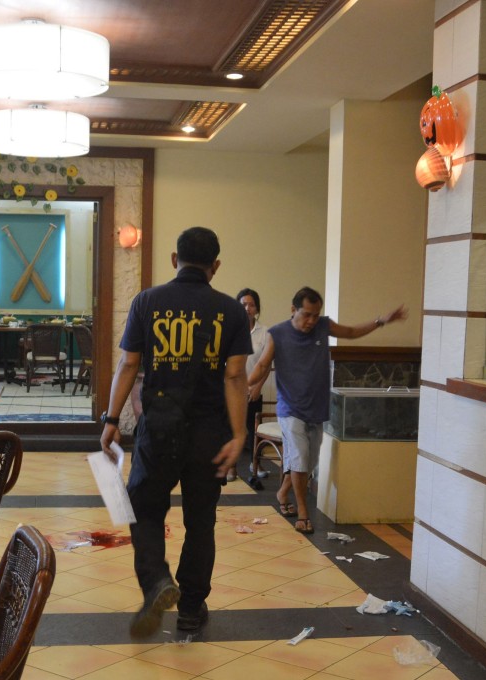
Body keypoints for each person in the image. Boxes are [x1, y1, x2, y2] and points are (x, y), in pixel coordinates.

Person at [100, 226, 251, 638]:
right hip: (210, 434)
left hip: (159, 430)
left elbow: (129, 364)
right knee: (201, 520)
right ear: (214, 266)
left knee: (145, 510)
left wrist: (112, 421)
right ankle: (190, 608)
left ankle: (157, 582)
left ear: (174, 259)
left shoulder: (147, 301)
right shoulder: (232, 311)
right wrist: (239, 435)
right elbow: (236, 376)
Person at [248, 286, 406, 534]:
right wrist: (239, 383)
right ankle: (303, 513)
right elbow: (262, 365)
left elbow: (352, 332)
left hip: (316, 408)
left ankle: (283, 491)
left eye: (316, 314)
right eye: (306, 314)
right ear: (293, 310)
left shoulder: (323, 326)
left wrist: (380, 321)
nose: (312, 320)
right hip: (290, 408)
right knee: (299, 458)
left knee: (308, 462)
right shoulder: (277, 333)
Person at [228, 287, 270, 483]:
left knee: (254, 430)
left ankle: (256, 463)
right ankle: (231, 467)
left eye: (251, 304)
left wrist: (257, 387)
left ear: (257, 308)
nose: (247, 308)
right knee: (230, 428)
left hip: (253, 390)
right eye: (243, 304)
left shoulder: (265, 333)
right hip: (232, 390)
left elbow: (266, 364)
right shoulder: (230, 330)